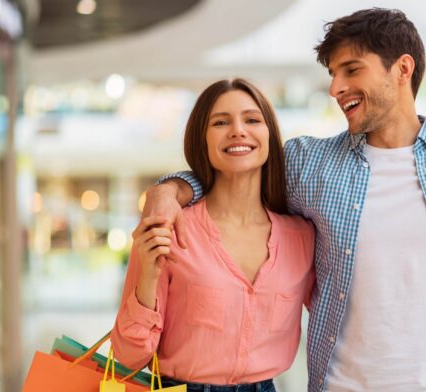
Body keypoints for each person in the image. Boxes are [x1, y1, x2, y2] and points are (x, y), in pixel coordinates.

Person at [143, 8, 426, 392]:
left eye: (351, 70)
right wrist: (172, 190)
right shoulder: (311, 165)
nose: (335, 88)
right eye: (332, 74)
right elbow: (235, 171)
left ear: (402, 68)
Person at [111, 78, 315, 392]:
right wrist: (148, 277)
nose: (238, 130)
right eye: (221, 122)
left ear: (269, 135)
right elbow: (127, 357)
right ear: (201, 140)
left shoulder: (300, 238)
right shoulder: (169, 227)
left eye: (251, 119)